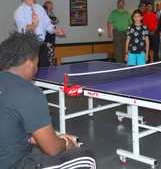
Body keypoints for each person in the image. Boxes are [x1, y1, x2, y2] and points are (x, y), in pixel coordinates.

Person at [0, 32, 96, 169]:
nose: (36, 69)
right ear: (29, 63)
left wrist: (33, 139)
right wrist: (66, 142)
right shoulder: (29, 92)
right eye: (36, 63)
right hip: (12, 164)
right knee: (87, 158)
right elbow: (52, 149)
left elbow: (8, 125)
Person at [14, 0, 65, 67]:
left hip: (42, 45)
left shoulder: (39, 8)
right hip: (28, 47)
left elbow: (48, 25)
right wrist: (33, 25)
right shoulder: (19, 12)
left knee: (44, 71)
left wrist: (56, 31)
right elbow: (22, 30)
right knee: (31, 74)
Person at [43, 1, 59, 65]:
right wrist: (52, 21)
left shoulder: (51, 13)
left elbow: (57, 20)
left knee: (51, 51)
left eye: (51, 6)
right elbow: (48, 22)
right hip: (47, 36)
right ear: (46, 6)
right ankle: (47, 65)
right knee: (46, 52)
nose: (51, 7)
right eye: (50, 6)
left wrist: (52, 21)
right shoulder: (43, 13)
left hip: (52, 36)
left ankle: (50, 64)